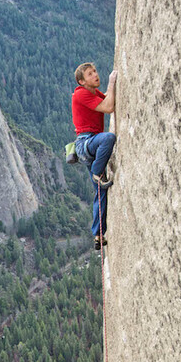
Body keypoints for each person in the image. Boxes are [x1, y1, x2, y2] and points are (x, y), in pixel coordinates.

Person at [72, 63, 118, 249]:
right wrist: (112, 82)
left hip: (90, 144)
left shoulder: (93, 93)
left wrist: (109, 90)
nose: (95, 76)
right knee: (109, 138)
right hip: (86, 143)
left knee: (100, 192)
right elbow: (108, 108)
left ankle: (98, 234)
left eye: (95, 72)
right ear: (82, 81)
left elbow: (108, 101)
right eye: (90, 74)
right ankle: (97, 172)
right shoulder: (81, 93)